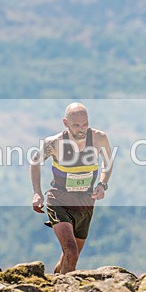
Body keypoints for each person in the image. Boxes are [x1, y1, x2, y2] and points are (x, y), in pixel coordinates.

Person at [31, 103, 114, 274]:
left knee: (69, 257)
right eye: (76, 125)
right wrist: (37, 193)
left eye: (85, 124)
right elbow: (35, 162)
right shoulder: (54, 143)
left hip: (85, 203)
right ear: (65, 122)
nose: (81, 129)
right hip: (58, 200)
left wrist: (102, 184)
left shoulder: (99, 138)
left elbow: (108, 162)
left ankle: (56, 283)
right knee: (71, 251)